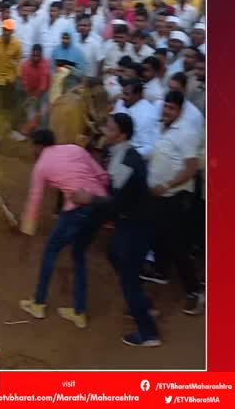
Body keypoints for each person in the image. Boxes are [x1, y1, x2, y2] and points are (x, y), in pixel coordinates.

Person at [71, 113, 161, 346]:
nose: (105, 131)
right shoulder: (123, 153)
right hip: (132, 222)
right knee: (114, 255)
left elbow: (114, 202)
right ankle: (144, 306)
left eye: (109, 128)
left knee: (128, 278)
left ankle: (149, 333)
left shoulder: (125, 161)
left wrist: (88, 198)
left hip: (136, 225)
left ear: (121, 134)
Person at [19, 129, 109, 328]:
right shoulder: (75, 149)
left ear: (38, 146)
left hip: (77, 210)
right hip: (100, 207)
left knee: (50, 251)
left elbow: (35, 202)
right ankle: (79, 312)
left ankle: (39, 303)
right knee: (78, 254)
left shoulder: (41, 166)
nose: (31, 149)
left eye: (32, 145)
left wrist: (27, 233)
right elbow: (102, 175)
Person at [145, 91, 204, 315]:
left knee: (177, 245)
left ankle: (194, 291)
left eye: (171, 108)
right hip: (161, 197)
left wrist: (166, 185)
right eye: (165, 107)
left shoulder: (187, 132)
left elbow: (190, 169)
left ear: (180, 110)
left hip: (175, 198)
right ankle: (161, 271)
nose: (166, 111)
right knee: (158, 233)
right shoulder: (164, 127)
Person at [0, 19, 26, 147]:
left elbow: (19, 59)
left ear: (12, 31)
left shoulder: (17, 44)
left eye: (8, 30)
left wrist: (18, 74)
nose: (6, 32)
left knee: (11, 108)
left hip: (10, 80)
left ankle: (12, 131)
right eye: (4, 30)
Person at [112, 79, 159, 158]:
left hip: (131, 157)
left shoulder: (147, 115)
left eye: (126, 94)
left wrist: (125, 155)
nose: (122, 97)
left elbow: (149, 147)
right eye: (122, 93)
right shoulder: (121, 102)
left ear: (138, 95)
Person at [20, 44, 50, 127]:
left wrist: (35, 97)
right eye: (33, 55)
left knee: (43, 114)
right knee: (31, 116)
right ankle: (33, 135)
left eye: (38, 56)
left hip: (43, 93)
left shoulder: (45, 64)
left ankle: (43, 133)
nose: (35, 57)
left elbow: (43, 85)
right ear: (31, 54)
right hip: (30, 93)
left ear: (41, 55)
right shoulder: (25, 65)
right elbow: (24, 83)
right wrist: (30, 97)